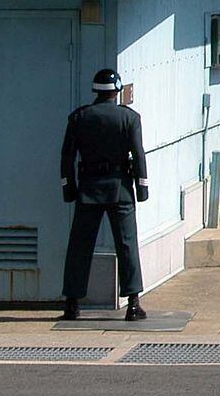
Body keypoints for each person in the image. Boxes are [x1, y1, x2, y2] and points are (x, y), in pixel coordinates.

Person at [59, 68, 151, 322]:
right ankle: (133, 303)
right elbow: (138, 154)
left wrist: (68, 187)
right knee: (127, 244)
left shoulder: (79, 117)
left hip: (89, 188)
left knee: (80, 246)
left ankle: (72, 303)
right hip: (120, 188)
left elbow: (67, 156)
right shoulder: (129, 117)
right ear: (117, 90)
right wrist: (142, 186)